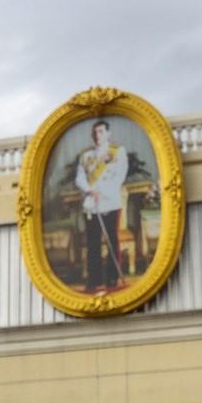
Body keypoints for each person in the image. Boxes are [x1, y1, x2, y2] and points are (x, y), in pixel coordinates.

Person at [70, 119, 128, 288]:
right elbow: (79, 177)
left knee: (111, 240)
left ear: (108, 133)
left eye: (101, 132)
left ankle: (112, 277)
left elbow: (119, 176)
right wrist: (89, 190)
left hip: (110, 202)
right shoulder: (86, 156)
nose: (97, 135)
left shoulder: (118, 151)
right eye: (95, 132)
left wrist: (102, 194)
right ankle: (94, 278)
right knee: (93, 242)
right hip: (91, 204)